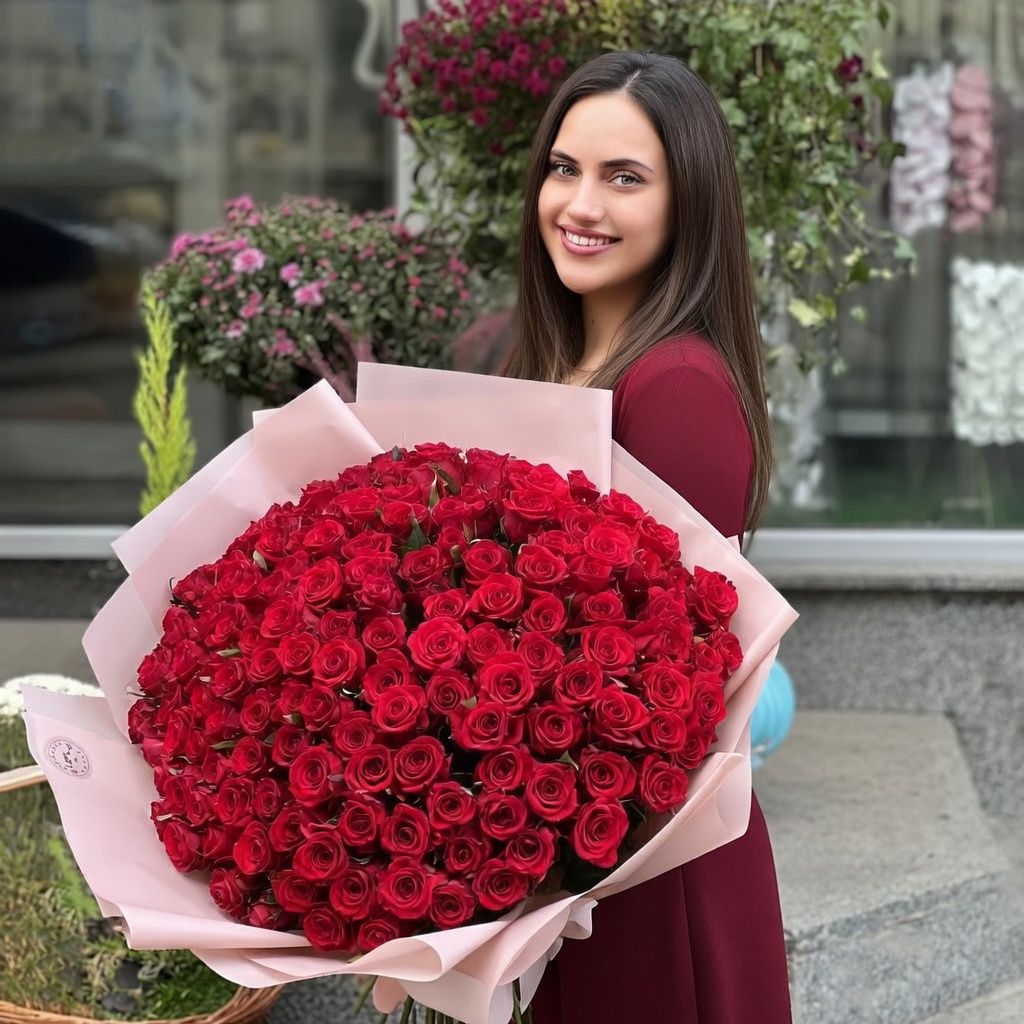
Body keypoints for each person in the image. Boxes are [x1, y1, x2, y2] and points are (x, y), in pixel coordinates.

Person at [502, 51, 792, 1023]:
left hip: (651, 868)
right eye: (564, 168)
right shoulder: (553, 361)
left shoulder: (676, 389)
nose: (579, 205)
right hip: (576, 850)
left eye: (624, 177)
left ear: (687, 204)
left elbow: (674, 683)